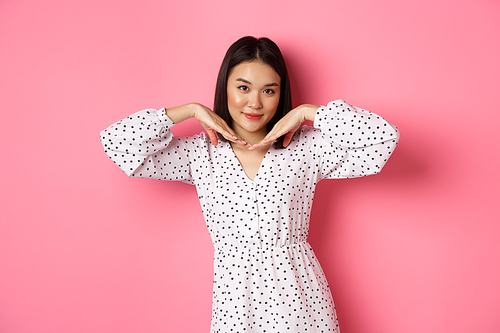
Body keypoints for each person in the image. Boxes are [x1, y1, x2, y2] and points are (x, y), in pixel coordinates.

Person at [100, 36, 399, 332]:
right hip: (235, 307)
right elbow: (116, 142)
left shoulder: (308, 148)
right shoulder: (199, 154)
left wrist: (309, 112)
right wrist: (189, 110)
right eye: (243, 88)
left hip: (301, 303)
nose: (254, 103)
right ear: (225, 87)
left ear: (281, 94)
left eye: (269, 90)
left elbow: (383, 139)